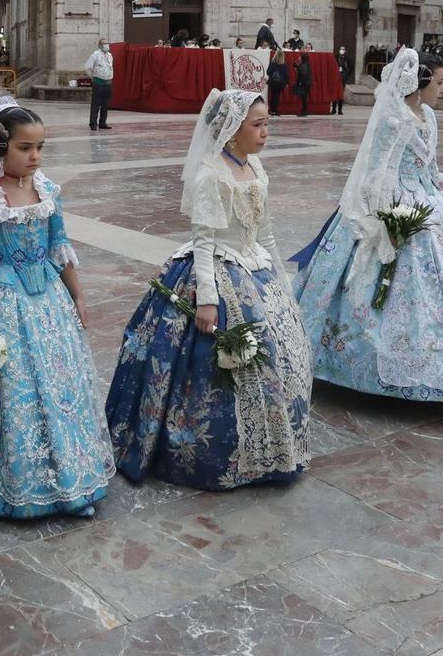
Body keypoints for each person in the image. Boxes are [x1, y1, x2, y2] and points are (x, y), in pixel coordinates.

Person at [105, 90, 311, 489]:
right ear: (232, 130)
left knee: (280, 353)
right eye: (258, 124)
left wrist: (282, 284)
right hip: (218, 270)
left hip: (256, 269)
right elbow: (203, 240)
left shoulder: (256, 168)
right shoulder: (210, 174)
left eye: (268, 123)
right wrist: (209, 300)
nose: (266, 132)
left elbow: (264, 232)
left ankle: (274, 448)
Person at [0, 100, 114, 518]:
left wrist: (78, 296)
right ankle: (2, 487)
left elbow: (60, 249)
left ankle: (67, 478)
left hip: (48, 302)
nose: (35, 156)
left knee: (59, 388)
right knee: (10, 394)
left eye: (40, 147)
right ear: (0, 146)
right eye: (25, 148)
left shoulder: (48, 191)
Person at [291, 49, 443, 403]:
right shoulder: (392, 120)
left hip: (429, 202)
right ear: (418, 85)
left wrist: (434, 180)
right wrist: (386, 219)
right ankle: (365, 363)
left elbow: (429, 162)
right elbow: (378, 173)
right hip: (395, 202)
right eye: (438, 83)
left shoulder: (428, 117)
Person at [86, 38, 115, 130]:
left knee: (105, 104)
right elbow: (87, 67)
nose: (106, 45)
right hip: (98, 82)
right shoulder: (95, 55)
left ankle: (102, 122)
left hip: (108, 82)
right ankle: (93, 124)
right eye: (104, 43)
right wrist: (93, 78)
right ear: (100, 45)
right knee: (96, 104)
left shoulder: (110, 55)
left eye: (107, 43)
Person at [266, 48, 290, 118]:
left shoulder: (272, 63)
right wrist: (286, 83)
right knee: (277, 96)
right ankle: (275, 110)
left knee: (272, 96)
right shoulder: (284, 65)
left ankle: (271, 110)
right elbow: (286, 75)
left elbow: (268, 72)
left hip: (273, 82)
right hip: (280, 83)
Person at [291, 50, 313, 117]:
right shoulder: (305, 64)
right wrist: (297, 67)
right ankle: (304, 110)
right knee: (304, 97)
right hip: (306, 83)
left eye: (300, 57)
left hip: (304, 83)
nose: (299, 58)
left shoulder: (304, 65)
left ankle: (304, 111)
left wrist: (300, 82)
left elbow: (303, 74)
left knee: (304, 98)